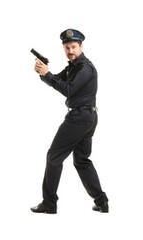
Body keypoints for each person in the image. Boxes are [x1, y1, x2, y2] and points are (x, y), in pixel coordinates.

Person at [30, 28, 109, 214]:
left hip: (79, 118)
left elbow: (68, 90)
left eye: (74, 47)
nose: (70, 51)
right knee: (81, 160)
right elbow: (57, 80)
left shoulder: (84, 68)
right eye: (67, 47)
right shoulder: (73, 67)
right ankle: (102, 201)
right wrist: (43, 73)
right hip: (87, 117)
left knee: (53, 157)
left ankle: (49, 203)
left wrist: (47, 74)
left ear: (81, 46)